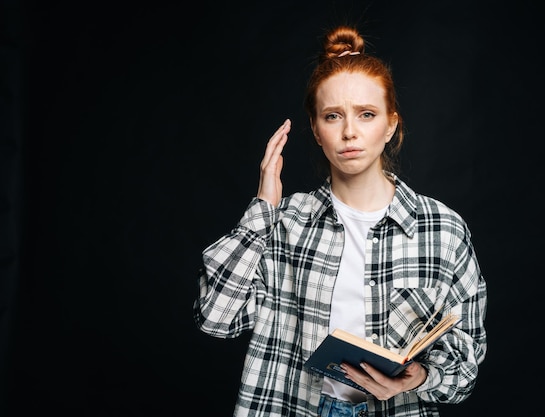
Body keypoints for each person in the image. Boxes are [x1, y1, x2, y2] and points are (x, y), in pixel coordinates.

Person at [194, 24, 487, 417]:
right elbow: (215, 318)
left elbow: (465, 366)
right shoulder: (286, 223)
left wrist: (419, 376)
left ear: (391, 124)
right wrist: (264, 206)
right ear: (315, 130)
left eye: (366, 114)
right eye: (333, 116)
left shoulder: (443, 230)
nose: (349, 132)